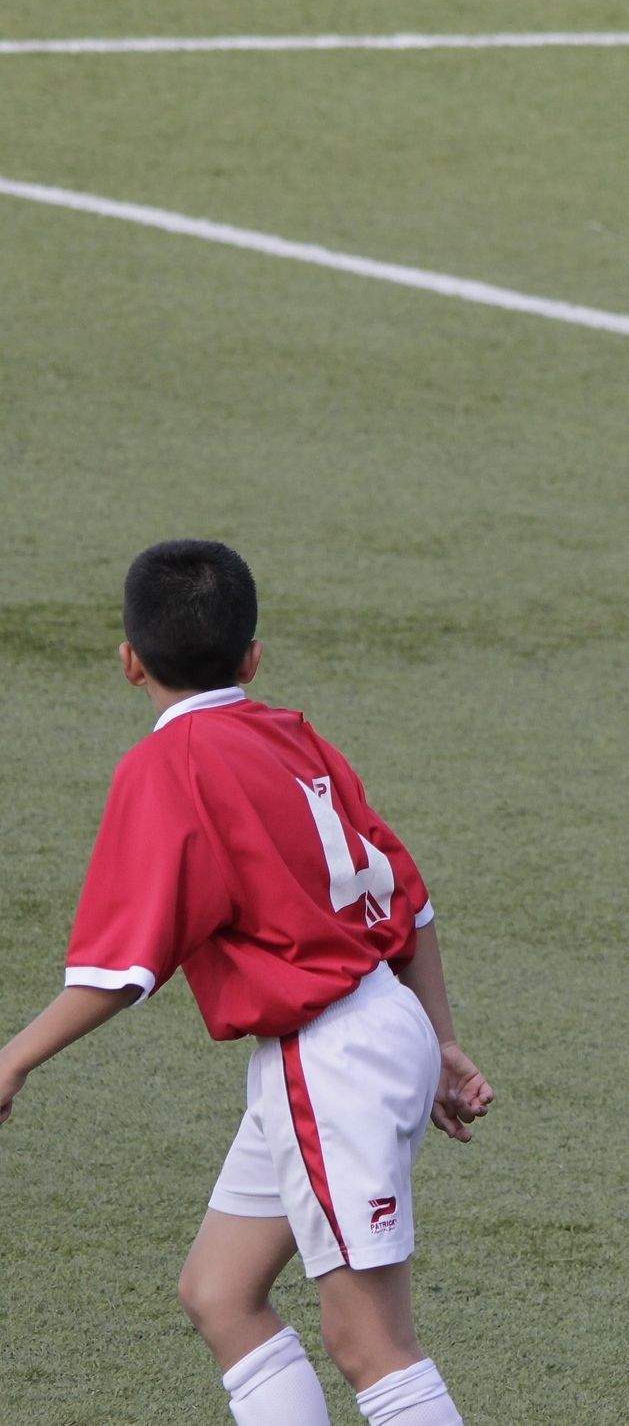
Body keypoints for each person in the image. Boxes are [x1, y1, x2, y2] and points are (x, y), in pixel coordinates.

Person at [0, 541, 492, 1426]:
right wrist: (441, 1037)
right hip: (373, 1027)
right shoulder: (292, 735)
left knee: (369, 1343)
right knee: (219, 1291)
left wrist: (15, 1057)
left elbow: (122, 968)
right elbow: (410, 904)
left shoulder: (166, 765)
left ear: (129, 661)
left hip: (331, 1056)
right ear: (252, 656)